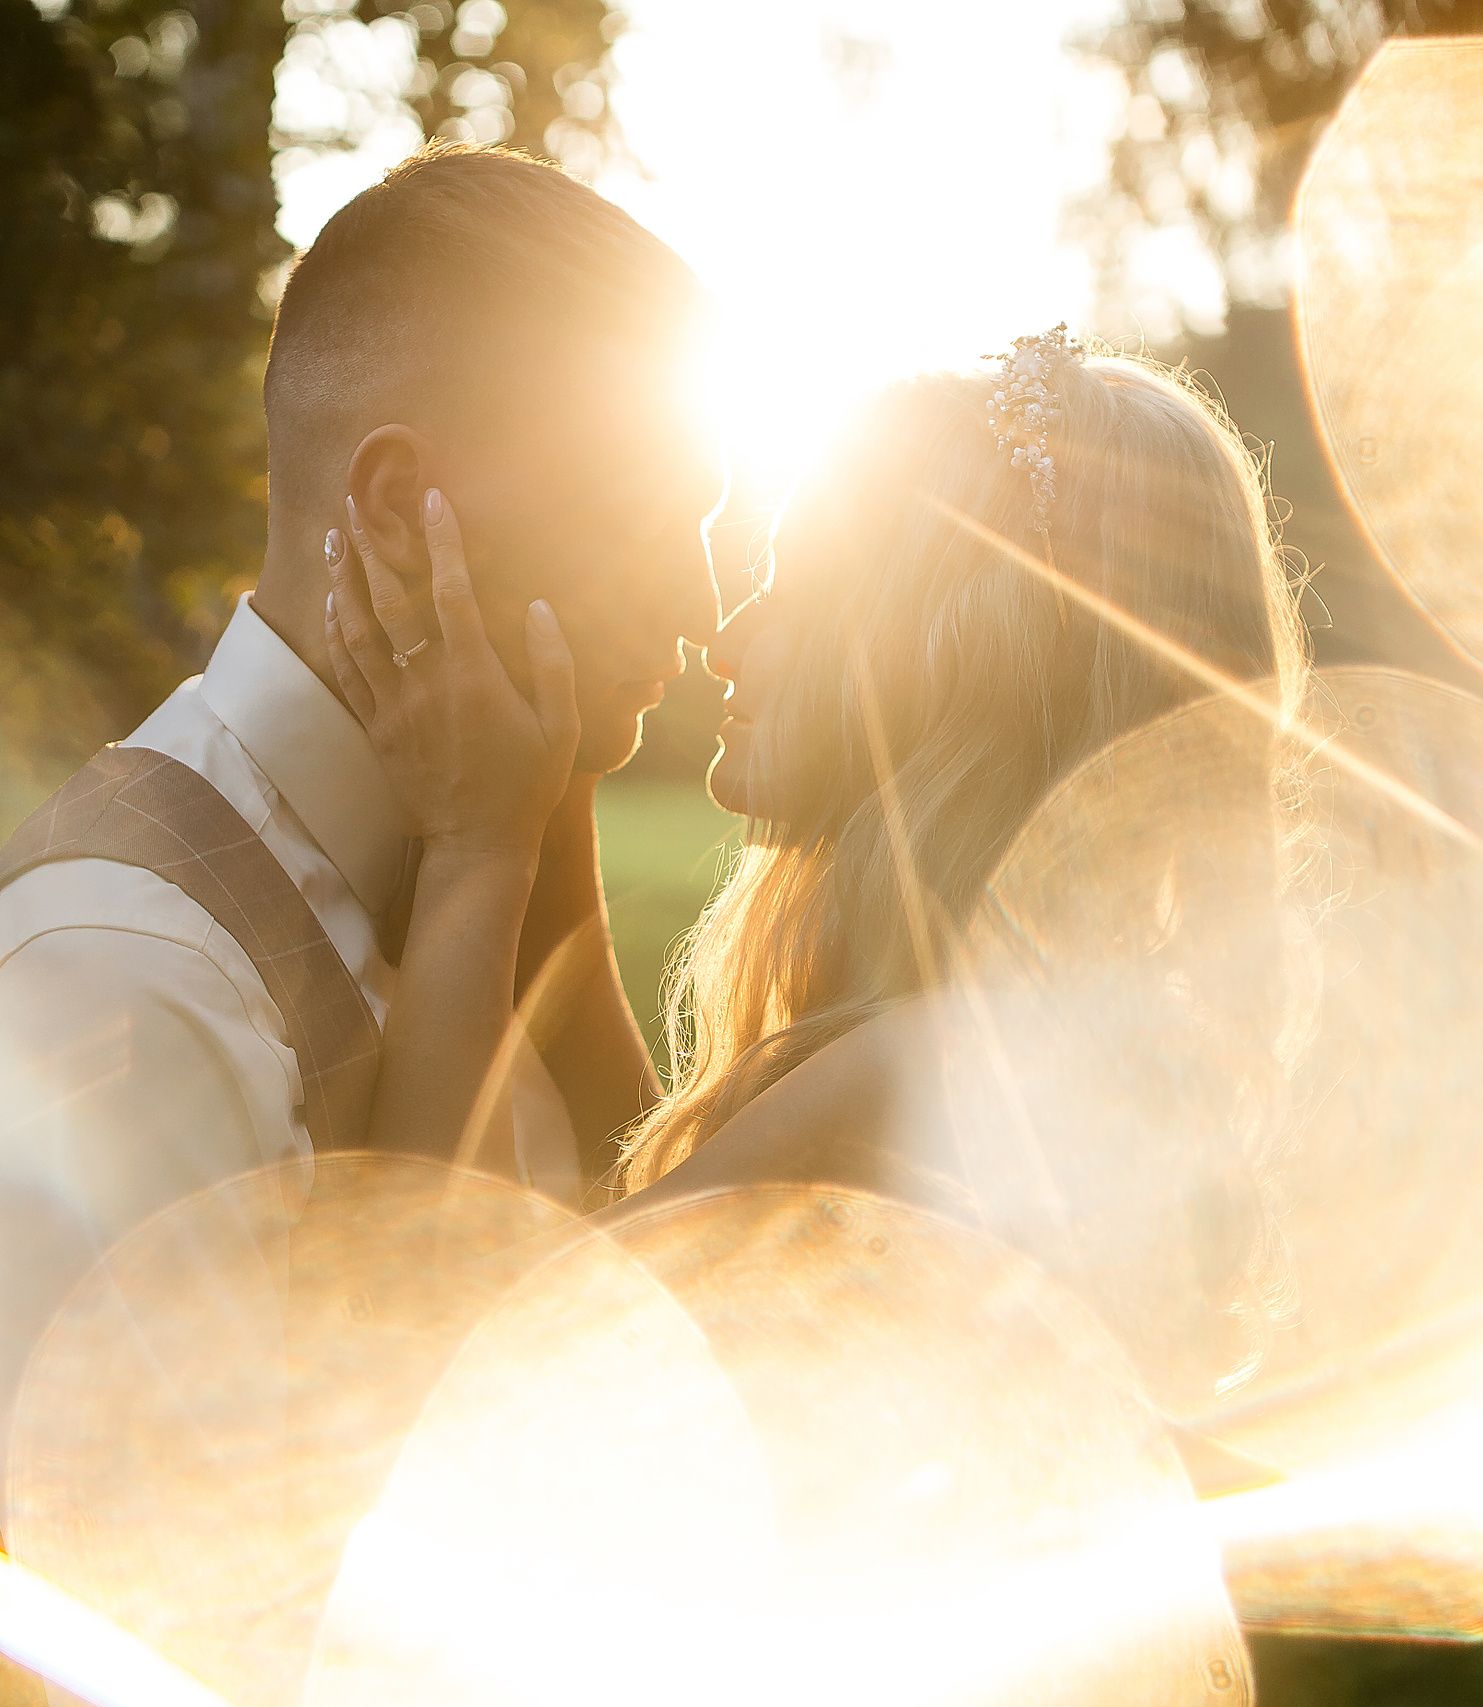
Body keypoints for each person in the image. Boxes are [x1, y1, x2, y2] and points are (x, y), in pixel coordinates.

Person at [0, 142, 723, 1515]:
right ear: (400, 509)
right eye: (641, 516)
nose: (697, 601)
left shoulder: (503, 833)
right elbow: (238, 1596)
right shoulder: (113, 976)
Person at [331, 331, 1310, 1391]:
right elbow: (668, 1177)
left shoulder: (916, 1066)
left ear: (934, 658)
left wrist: (478, 845)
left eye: (791, 589)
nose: (727, 635)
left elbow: (459, 1352)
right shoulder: (996, 1023)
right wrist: (558, 792)